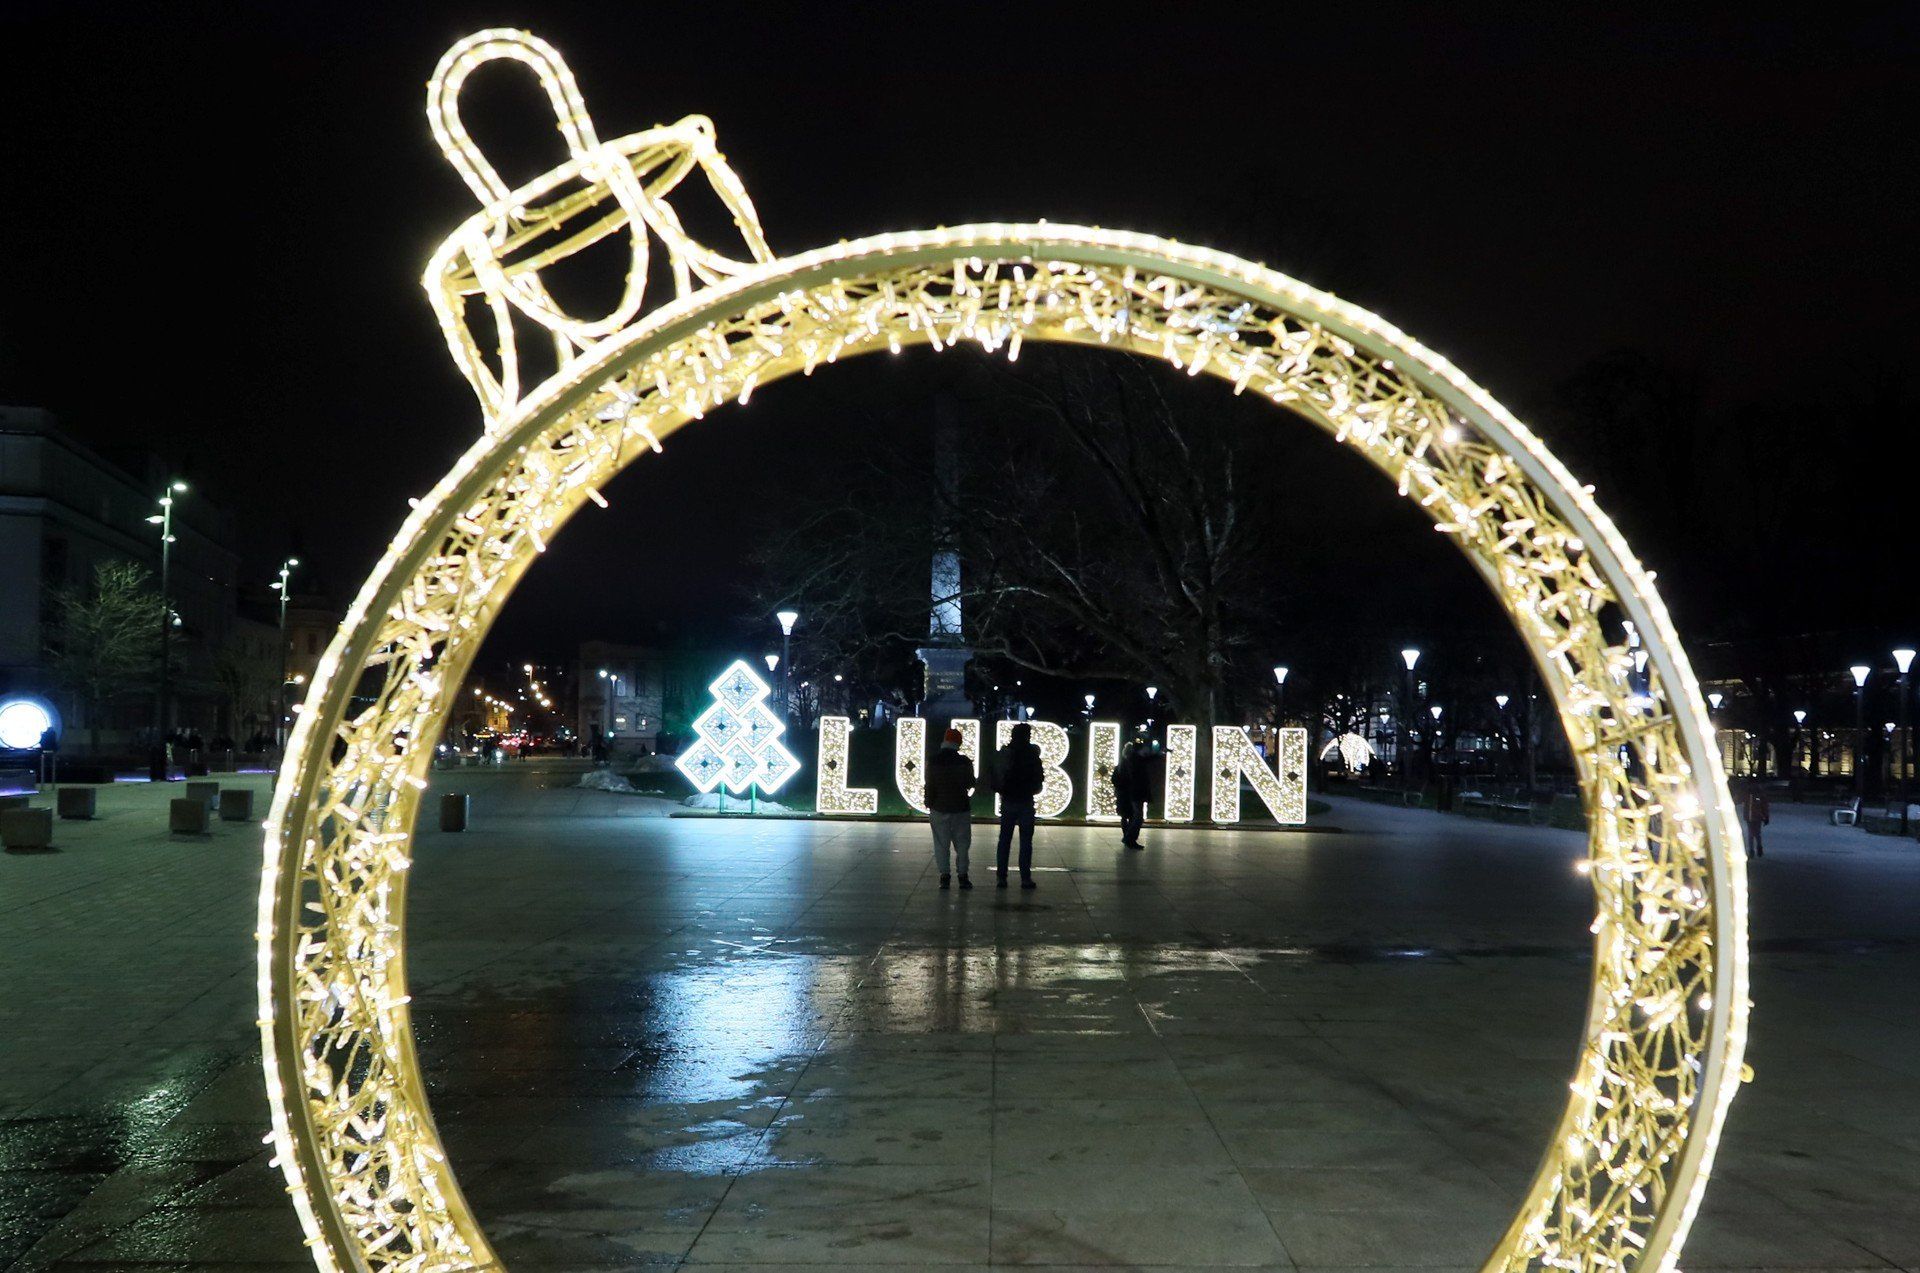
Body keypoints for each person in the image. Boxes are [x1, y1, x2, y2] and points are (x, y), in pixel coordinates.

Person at [925, 728, 976, 890]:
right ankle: (963, 876)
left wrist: (929, 801)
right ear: (958, 743)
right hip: (960, 807)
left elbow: (930, 784)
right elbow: (970, 783)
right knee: (962, 843)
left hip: (939, 806)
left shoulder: (933, 761)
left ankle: (944, 877)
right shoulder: (965, 762)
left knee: (941, 843)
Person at [994, 722, 1043, 889]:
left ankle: (1001, 877)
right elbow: (1038, 780)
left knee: (1004, 840)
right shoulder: (1032, 755)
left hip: (1008, 800)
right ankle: (1025, 878)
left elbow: (996, 775)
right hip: (1025, 801)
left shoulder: (1006, 753)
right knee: (1026, 842)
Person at [1113, 738, 1149, 849]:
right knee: (1134, 816)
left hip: (1123, 793)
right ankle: (1129, 839)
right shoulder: (1130, 764)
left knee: (1125, 815)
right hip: (1129, 793)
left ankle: (1128, 837)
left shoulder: (1121, 764)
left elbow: (1115, 779)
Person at [1742, 783, 1770, 859]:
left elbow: (1764, 806)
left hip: (1756, 817)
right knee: (1751, 834)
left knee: (1756, 834)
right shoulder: (1748, 794)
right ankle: (1752, 849)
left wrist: (1766, 816)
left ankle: (1758, 847)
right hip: (1750, 817)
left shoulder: (1759, 795)